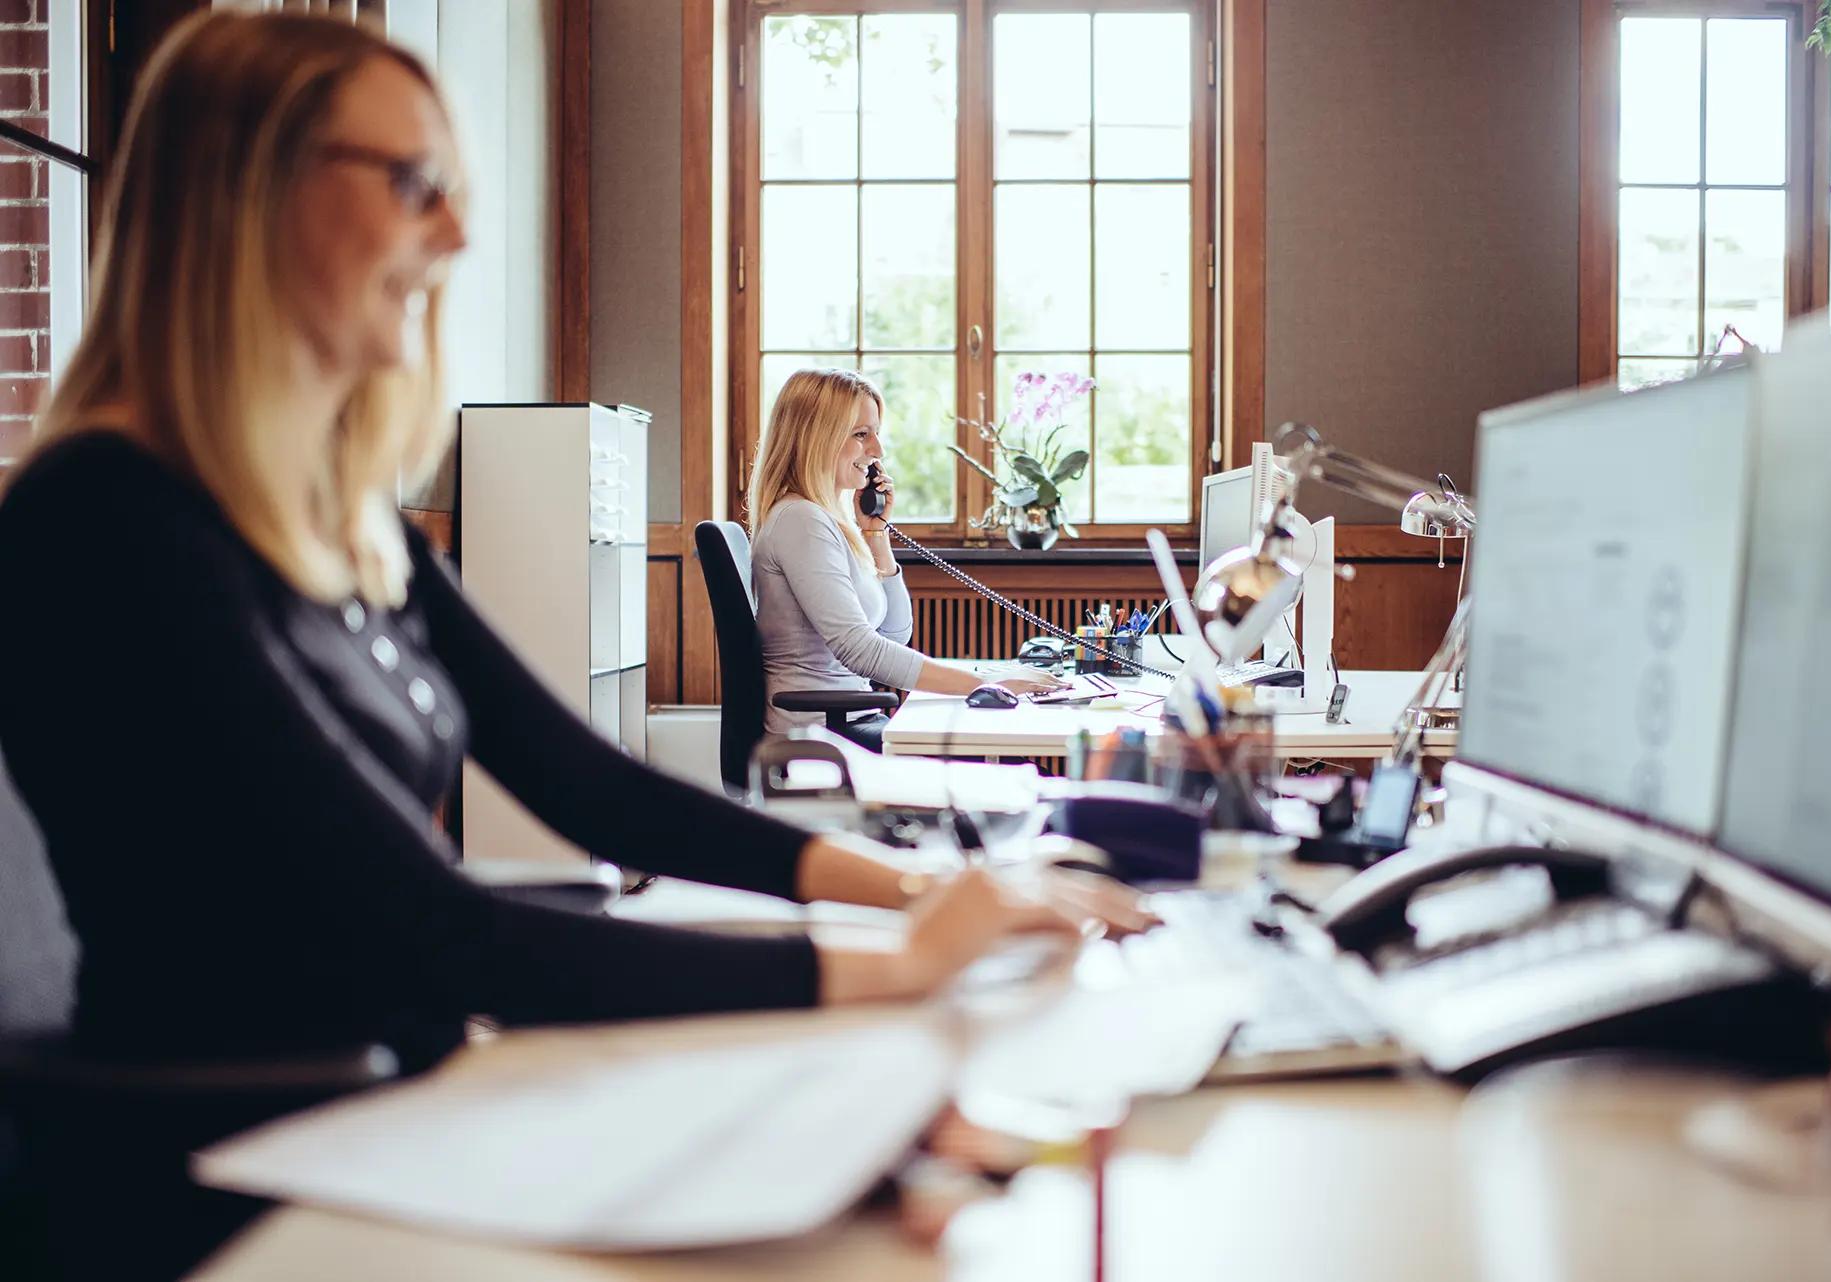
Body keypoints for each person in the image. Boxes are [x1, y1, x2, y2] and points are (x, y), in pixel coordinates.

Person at [0, 11, 1094, 1074]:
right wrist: (896, 964)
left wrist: (922, 890)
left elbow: (590, 786)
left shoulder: (339, 513)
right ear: (249, 194)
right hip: (236, 1143)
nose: (457, 235)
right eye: (413, 184)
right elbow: (435, 929)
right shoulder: (104, 516)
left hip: (396, 1088)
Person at [748, 368, 1066, 753]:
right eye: (861, 434)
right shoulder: (801, 521)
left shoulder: (827, 520)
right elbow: (859, 649)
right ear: (816, 437)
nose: (877, 451)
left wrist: (876, 532)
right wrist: (985, 685)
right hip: (819, 736)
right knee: (1001, 758)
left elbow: (894, 634)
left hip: (848, 722)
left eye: (876, 433)